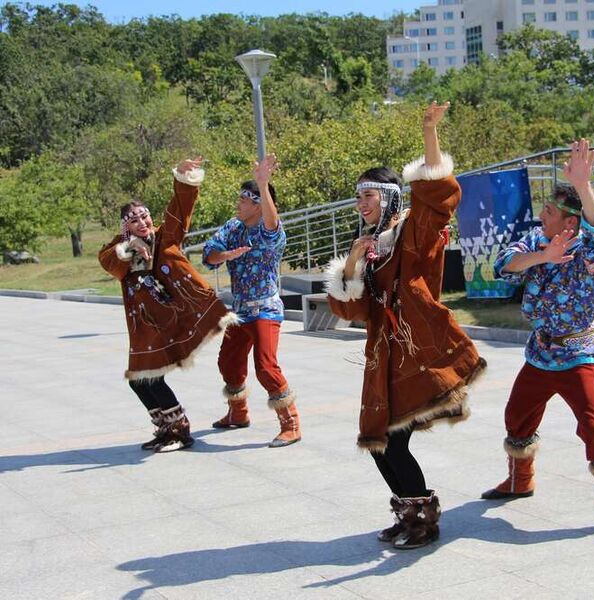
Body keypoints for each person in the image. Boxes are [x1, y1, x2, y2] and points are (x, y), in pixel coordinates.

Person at [324, 102, 486, 550]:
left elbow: (439, 197)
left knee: (394, 443)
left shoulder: (414, 232)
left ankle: (423, 523)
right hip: (384, 358)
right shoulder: (369, 247)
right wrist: (352, 264)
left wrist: (430, 133)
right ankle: (408, 515)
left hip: (417, 354)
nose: (361, 204)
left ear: (390, 197)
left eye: (368, 195)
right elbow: (353, 311)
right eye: (358, 197)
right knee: (378, 441)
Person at [480, 139, 594, 539]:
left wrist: (583, 186)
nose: (540, 216)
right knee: (517, 414)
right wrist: (543, 257)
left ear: (569, 223)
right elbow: (503, 265)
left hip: (578, 353)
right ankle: (520, 480)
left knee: (593, 427)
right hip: (540, 352)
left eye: (547, 212)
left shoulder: (590, 254)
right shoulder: (536, 241)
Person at [99, 158, 234, 452]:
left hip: (169, 318)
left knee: (150, 379)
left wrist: (184, 179)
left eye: (145, 217)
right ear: (125, 226)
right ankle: (165, 428)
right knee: (138, 381)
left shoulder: (165, 238)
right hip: (143, 325)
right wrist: (129, 246)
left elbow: (180, 210)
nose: (143, 223)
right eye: (135, 220)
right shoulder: (120, 248)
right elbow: (107, 261)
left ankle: (180, 430)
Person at [202, 154, 301, 448]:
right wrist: (225, 255)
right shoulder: (233, 227)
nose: (238, 204)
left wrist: (264, 184)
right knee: (228, 362)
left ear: (258, 204)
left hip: (266, 309)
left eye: (243, 200)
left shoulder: (270, 232)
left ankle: (291, 424)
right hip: (240, 311)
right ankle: (238, 412)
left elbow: (272, 224)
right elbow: (209, 255)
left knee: (266, 367)